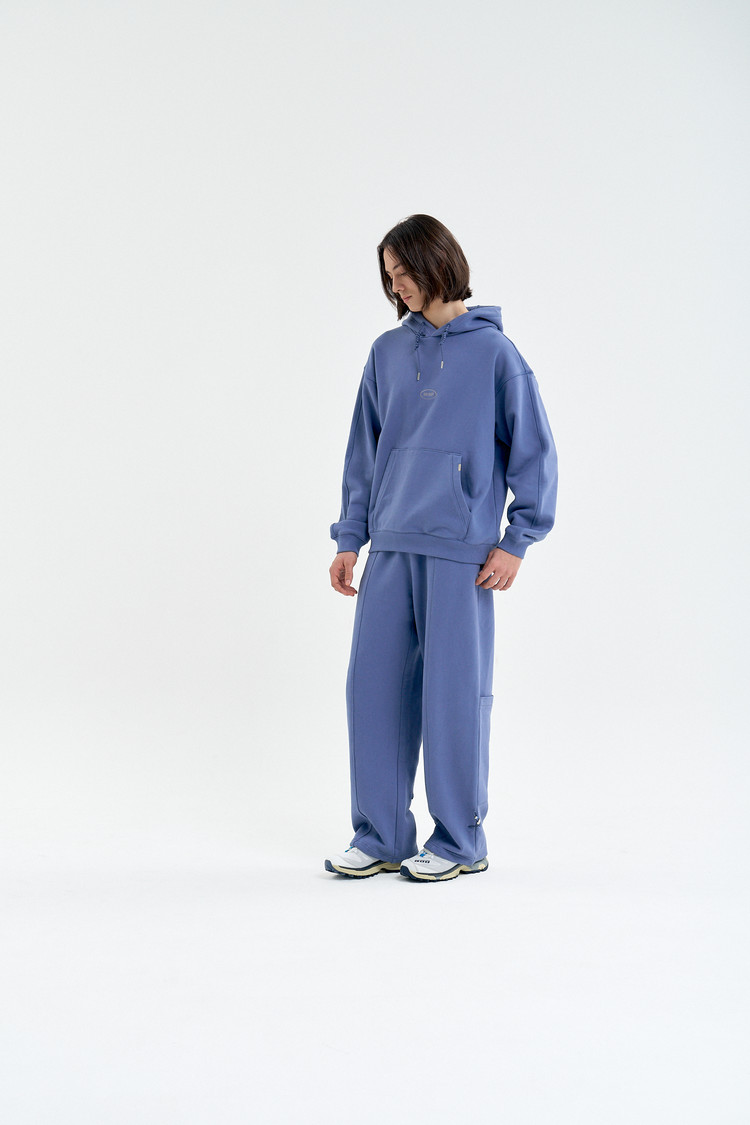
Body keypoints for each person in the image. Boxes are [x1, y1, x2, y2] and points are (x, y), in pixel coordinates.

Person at [325, 214, 558, 883]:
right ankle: (380, 835)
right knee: (371, 692)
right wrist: (350, 535)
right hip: (390, 547)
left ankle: (459, 841)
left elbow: (535, 452)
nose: (397, 286)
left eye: (405, 271)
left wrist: (518, 540)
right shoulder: (385, 353)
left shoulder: (496, 355)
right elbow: (363, 452)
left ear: (439, 263)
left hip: (462, 554)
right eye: (389, 275)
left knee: (454, 698)